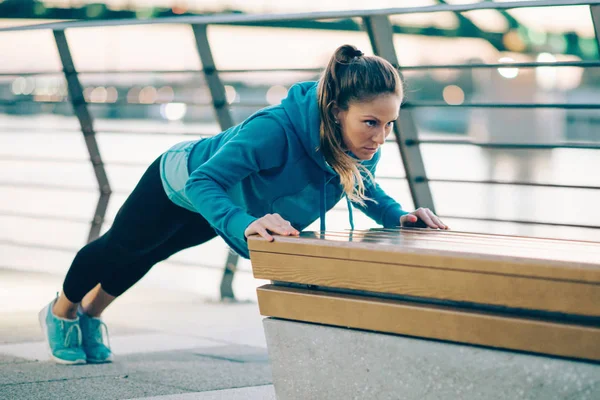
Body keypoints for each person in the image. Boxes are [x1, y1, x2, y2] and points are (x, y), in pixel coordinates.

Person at [39, 44, 448, 365]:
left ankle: (90, 316)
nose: (380, 136)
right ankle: (61, 313)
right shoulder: (274, 130)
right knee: (122, 247)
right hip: (182, 181)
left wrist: (400, 216)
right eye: (371, 123)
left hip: (229, 202)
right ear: (336, 111)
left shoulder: (360, 145)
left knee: (152, 251)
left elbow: (363, 185)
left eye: (389, 123)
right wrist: (242, 220)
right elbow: (205, 181)